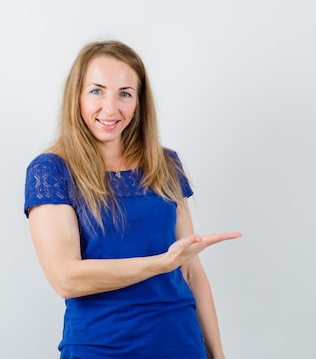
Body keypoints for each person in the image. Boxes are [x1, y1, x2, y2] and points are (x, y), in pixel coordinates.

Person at [24, 40, 241, 359]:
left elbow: (192, 272)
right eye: (97, 91)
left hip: (180, 344)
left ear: (139, 102)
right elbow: (66, 279)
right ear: (77, 96)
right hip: (100, 348)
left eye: (124, 93)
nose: (110, 109)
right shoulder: (51, 170)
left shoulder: (164, 164)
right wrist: (161, 264)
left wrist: (218, 356)